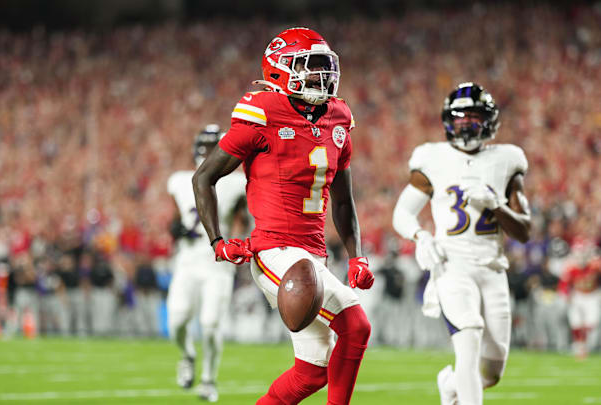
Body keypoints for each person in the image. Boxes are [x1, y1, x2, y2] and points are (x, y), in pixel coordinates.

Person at [192, 27, 374, 405]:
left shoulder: (338, 118)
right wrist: (218, 242)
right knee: (356, 325)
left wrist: (357, 255)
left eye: (325, 67)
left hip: (313, 253)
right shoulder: (264, 110)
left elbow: (343, 201)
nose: (321, 77)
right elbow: (204, 177)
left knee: (311, 374)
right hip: (276, 250)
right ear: (279, 69)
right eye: (310, 67)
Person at [392, 83, 531, 405]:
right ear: (446, 121)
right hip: (451, 264)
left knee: (492, 371)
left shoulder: (507, 159)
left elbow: (524, 230)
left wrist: (496, 205)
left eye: (474, 116)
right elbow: (402, 212)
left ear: (490, 121)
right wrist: (420, 235)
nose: (466, 124)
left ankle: (451, 386)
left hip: (492, 267)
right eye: (459, 117)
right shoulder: (433, 158)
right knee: (468, 337)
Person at [166, 124, 247, 402]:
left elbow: (244, 220)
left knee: (211, 323)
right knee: (176, 320)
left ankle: (209, 379)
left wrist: (240, 242)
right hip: (187, 262)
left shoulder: (236, 183)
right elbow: (176, 218)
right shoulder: (179, 180)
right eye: (204, 147)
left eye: (213, 147)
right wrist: (174, 228)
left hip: (217, 264)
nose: (207, 153)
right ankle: (187, 355)